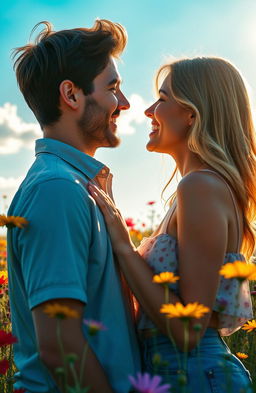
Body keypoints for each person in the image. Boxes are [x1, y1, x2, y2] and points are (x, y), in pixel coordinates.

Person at [88, 57, 255, 392]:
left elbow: (188, 331)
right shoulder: (198, 189)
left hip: (194, 375)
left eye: (162, 99)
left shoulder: (200, 187)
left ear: (192, 114)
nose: (150, 110)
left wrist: (123, 244)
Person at [7, 19, 141, 393]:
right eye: (113, 88)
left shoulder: (74, 184)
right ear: (71, 94)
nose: (126, 103)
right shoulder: (57, 190)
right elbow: (59, 346)